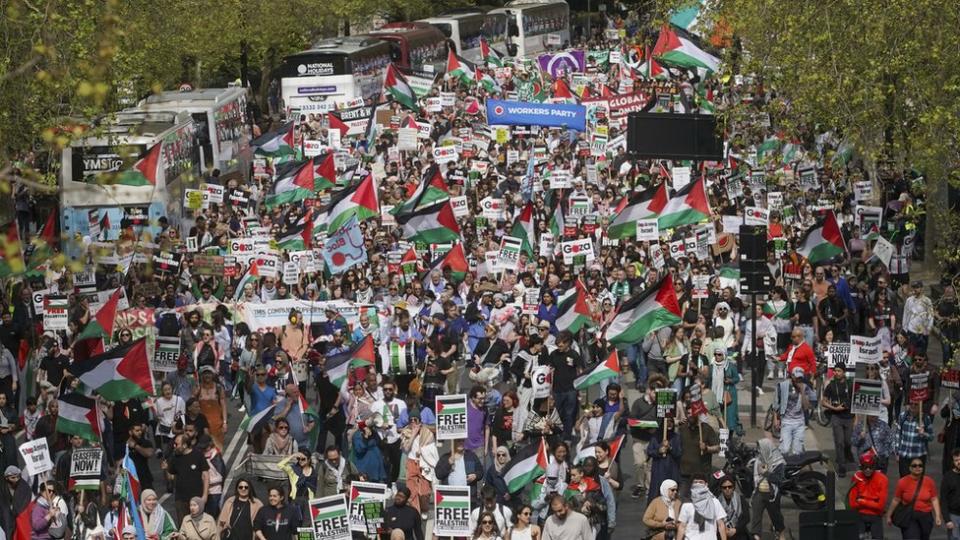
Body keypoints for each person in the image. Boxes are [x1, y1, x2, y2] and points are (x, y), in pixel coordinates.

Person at [885, 459, 944, 540]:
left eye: (920, 465)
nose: (917, 467)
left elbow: (934, 499)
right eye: (914, 465)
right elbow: (896, 499)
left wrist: (937, 516)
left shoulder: (929, 481)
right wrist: (889, 515)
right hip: (910, 516)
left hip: (926, 517)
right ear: (910, 468)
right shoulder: (902, 482)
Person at [163, 433, 210, 523]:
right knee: (184, 524)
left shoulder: (198, 455)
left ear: (184, 445)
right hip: (181, 499)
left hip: (196, 497)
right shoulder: (175, 458)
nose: (174, 446)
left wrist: (205, 496)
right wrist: (166, 469)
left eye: (176, 444)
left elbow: (206, 476)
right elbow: (171, 477)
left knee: (199, 523)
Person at [772, 367, 816, 456]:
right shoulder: (782, 386)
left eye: (800, 378)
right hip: (786, 422)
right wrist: (775, 419)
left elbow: (807, 407)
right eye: (796, 377)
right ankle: (781, 466)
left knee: (797, 451)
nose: (798, 380)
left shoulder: (805, 387)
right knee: (784, 449)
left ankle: (795, 469)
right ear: (792, 376)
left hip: (799, 422)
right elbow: (776, 404)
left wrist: (802, 392)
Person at [750, 438, 786, 540]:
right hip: (759, 491)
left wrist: (765, 473)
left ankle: (781, 534)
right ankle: (756, 536)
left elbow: (779, 480)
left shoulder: (779, 463)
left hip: (772, 492)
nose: (759, 451)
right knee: (756, 514)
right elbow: (755, 477)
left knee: (775, 516)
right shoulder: (759, 460)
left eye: (760, 449)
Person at [823, 364, 855, 476]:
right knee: (839, 442)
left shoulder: (850, 384)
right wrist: (834, 408)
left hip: (849, 417)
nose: (836, 373)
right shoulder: (831, 385)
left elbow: (855, 398)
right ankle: (842, 466)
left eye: (839, 371)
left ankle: (847, 453)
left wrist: (846, 406)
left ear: (844, 372)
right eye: (835, 371)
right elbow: (824, 401)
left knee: (848, 441)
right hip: (836, 417)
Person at [848, 451, 888, 540]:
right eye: (865, 467)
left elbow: (880, 506)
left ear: (874, 467)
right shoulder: (857, 476)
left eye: (870, 467)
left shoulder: (882, 479)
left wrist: (862, 501)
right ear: (861, 467)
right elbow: (852, 503)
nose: (868, 470)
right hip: (860, 515)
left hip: (875, 516)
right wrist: (873, 502)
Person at [676, 474, 727, 540]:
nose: (698, 484)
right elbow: (682, 526)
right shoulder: (687, 504)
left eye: (700, 482)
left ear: (706, 484)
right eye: (695, 482)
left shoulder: (715, 502)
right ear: (691, 485)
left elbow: (721, 525)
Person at [895, 402, 934, 477]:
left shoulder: (925, 418)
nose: (913, 406)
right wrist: (897, 452)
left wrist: (924, 434)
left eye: (915, 404)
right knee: (904, 480)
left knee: (917, 482)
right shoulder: (903, 416)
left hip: (918, 456)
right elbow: (898, 434)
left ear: (920, 405)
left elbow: (931, 437)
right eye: (911, 403)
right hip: (904, 455)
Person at [716, 474, 750, 540]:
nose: (727, 489)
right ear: (721, 488)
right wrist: (724, 530)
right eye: (724, 487)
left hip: (738, 531)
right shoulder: (717, 501)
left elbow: (746, 517)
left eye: (730, 486)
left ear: (733, 487)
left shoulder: (740, 499)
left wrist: (735, 530)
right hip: (722, 532)